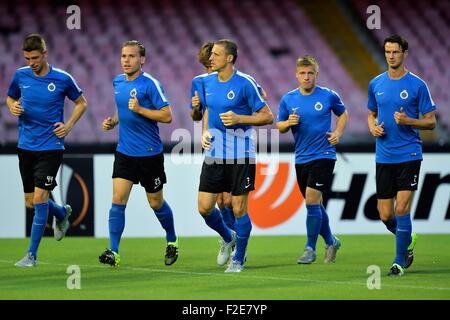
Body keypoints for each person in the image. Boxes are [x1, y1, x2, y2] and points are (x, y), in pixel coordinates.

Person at [7, 34, 88, 267]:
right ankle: (61, 214)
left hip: (51, 146)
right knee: (31, 201)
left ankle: (31, 255)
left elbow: (82, 103)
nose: (31, 62)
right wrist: (13, 107)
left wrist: (69, 125)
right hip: (25, 146)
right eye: (27, 58)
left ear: (45, 54)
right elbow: (10, 97)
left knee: (41, 197)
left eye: (34, 58)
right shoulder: (21, 76)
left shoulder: (62, 79)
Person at [99, 40, 178, 267]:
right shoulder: (118, 82)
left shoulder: (150, 84)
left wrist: (141, 109)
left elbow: (167, 116)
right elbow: (123, 109)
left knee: (155, 203)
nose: (126, 60)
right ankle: (114, 252)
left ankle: (172, 240)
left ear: (142, 60)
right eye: (124, 56)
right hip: (125, 152)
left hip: (149, 153)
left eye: (132, 56)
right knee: (117, 200)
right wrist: (113, 121)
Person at [198, 39, 273, 273]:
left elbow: (267, 116)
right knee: (204, 207)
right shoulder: (207, 83)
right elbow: (208, 110)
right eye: (211, 55)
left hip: (241, 155)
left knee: (239, 208)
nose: (211, 58)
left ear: (229, 58)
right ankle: (228, 236)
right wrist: (204, 132)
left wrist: (241, 119)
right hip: (214, 154)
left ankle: (238, 257)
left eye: (216, 54)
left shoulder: (245, 83)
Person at [367, 34, 436, 276]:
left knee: (402, 209)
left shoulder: (417, 85)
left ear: (404, 53)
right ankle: (407, 237)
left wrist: (409, 121)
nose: (391, 56)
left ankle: (398, 261)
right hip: (384, 155)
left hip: (409, 153)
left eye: (395, 52)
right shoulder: (375, 83)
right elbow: (371, 113)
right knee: (385, 214)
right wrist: (372, 127)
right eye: (387, 52)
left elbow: (431, 122)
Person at [277, 55, 348, 264]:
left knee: (311, 200)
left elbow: (343, 114)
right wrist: (288, 122)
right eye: (302, 73)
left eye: (310, 73)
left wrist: (338, 133)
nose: (306, 77)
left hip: (324, 155)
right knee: (315, 204)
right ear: (296, 75)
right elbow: (279, 126)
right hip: (301, 158)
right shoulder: (288, 99)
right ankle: (331, 241)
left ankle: (310, 248)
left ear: (317, 74)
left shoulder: (328, 96)